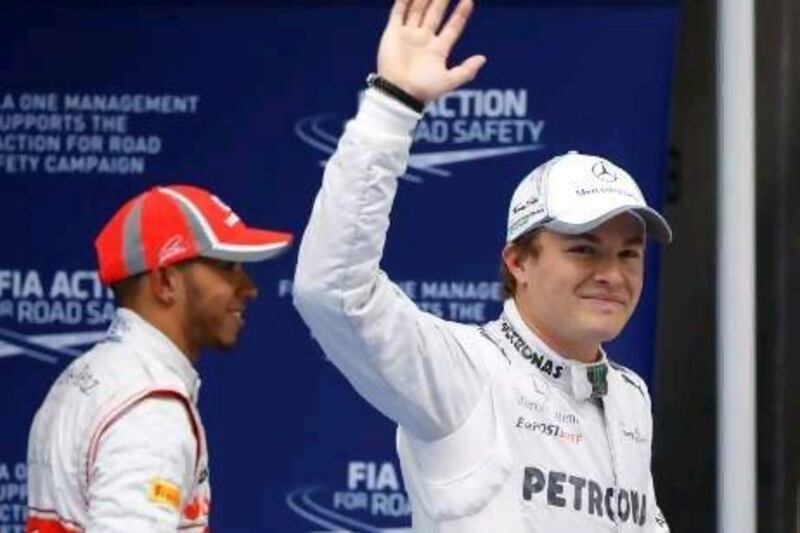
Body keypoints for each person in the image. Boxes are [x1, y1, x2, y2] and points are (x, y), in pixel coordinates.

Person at [292, 0, 671, 531]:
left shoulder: (629, 398)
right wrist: (391, 108)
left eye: (629, 253)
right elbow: (332, 292)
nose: (613, 273)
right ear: (518, 261)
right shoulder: (464, 372)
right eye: (584, 248)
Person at [26, 185, 292, 532]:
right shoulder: (150, 409)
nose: (249, 288)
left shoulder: (88, 374)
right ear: (165, 281)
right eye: (227, 266)